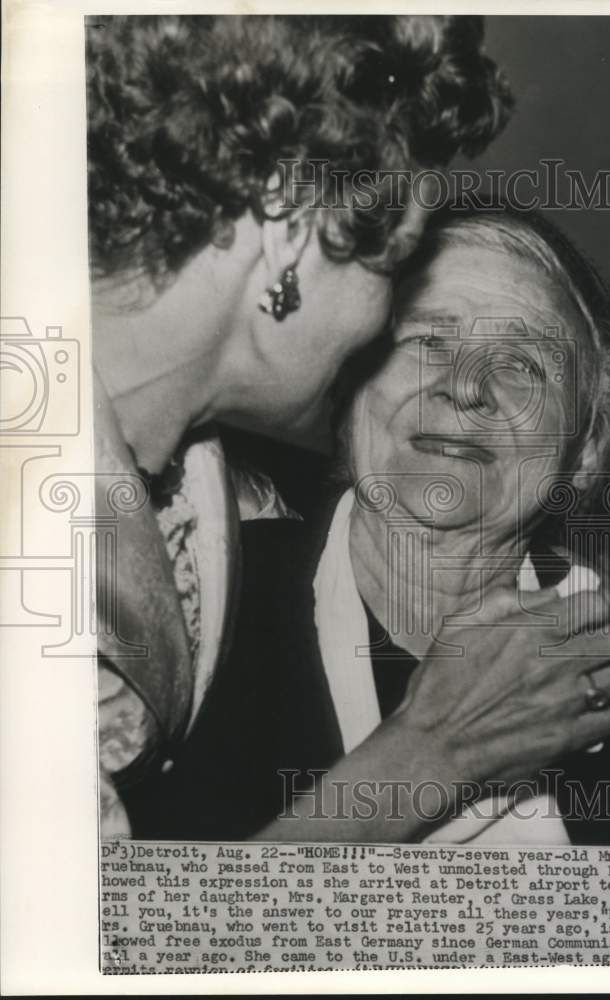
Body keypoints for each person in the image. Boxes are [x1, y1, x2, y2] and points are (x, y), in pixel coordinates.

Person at [119, 209, 610, 844]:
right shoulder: (182, 631)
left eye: (521, 362)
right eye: (426, 342)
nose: (465, 388)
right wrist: (431, 755)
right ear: (346, 397)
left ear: (583, 453)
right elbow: (149, 936)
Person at [88, 13, 515, 835]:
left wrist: (582, 593)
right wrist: (434, 751)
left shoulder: (184, 465)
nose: (385, 323)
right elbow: (105, 949)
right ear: (290, 230)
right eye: (397, 264)